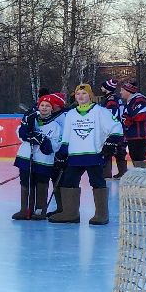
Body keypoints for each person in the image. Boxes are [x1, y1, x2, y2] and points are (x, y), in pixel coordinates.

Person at [51, 83, 123, 226]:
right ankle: (70, 213)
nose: (81, 96)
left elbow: (116, 127)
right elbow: (66, 136)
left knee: (97, 182)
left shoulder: (100, 111)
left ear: (90, 96)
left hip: (93, 154)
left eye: (84, 94)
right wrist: (62, 152)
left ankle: (101, 214)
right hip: (74, 156)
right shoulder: (71, 114)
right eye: (78, 94)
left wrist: (111, 141)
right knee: (69, 182)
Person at [13, 92, 65, 221]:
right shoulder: (31, 119)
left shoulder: (56, 126)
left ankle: (40, 210)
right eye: (42, 105)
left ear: (52, 109)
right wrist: (30, 134)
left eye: (48, 106)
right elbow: (20, 134)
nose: (44, 108)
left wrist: (42, 140)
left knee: (41, 184)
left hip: (44, 161)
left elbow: (55, 145)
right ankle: (25, 210)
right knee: (26, 183)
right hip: (26, 157)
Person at [120, 80, 146, 171]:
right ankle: (141, 175)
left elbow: (140, 115)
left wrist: (128, 120)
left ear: (128, 91)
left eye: (122, 90)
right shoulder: (130, 101)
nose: (120, 92)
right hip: (133, 134)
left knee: (139, 156)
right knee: (135, 156)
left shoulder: (139, 100)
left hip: (140, 134)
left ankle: (143, 177)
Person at [101, 79, 128, 180]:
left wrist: (107, 127)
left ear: (107, 89)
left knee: (107, 151)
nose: (101, 89)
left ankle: (107, 174)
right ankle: (122, 173)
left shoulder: (110, 100)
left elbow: (112, 114)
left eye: (103, 87)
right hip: (120, 128)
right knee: (120, 151)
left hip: (114, 129)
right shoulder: (116, 98)